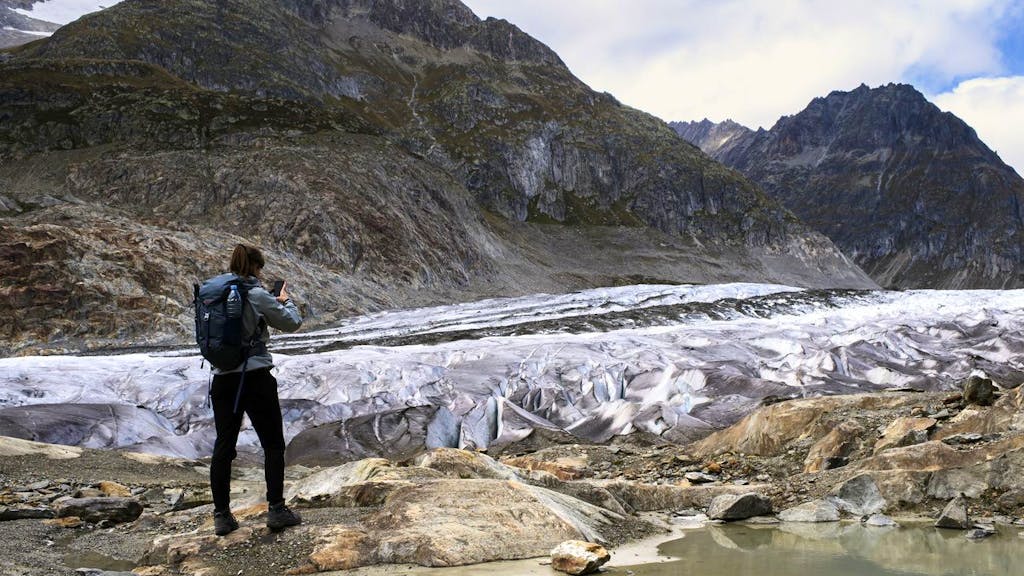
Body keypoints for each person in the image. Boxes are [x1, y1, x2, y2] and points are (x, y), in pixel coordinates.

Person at [209, 244, 303, 536]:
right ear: (256, 268)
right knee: (273, 443)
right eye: (260, 269)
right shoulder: (255, 293)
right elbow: (291, 323)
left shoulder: (214, 295)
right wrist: (285, 301)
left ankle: (222, 516)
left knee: (224, 447)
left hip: (223, 380)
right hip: (255, 377)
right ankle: (276, 510)